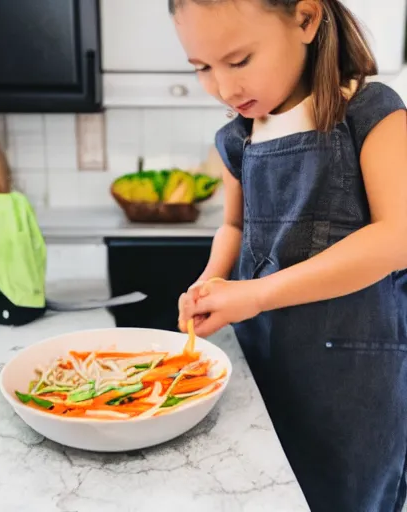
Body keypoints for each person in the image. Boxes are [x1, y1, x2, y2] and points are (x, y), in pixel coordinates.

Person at [172, 0, 407, 510]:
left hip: (354, 381)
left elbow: (397, 236)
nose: (224, 88)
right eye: (202, 69)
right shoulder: (237, 136)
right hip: (267, 362)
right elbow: (233, 225)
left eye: (239, 61)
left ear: (305, 19)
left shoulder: (370, 111)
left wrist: (255, 294)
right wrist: (210, 281)